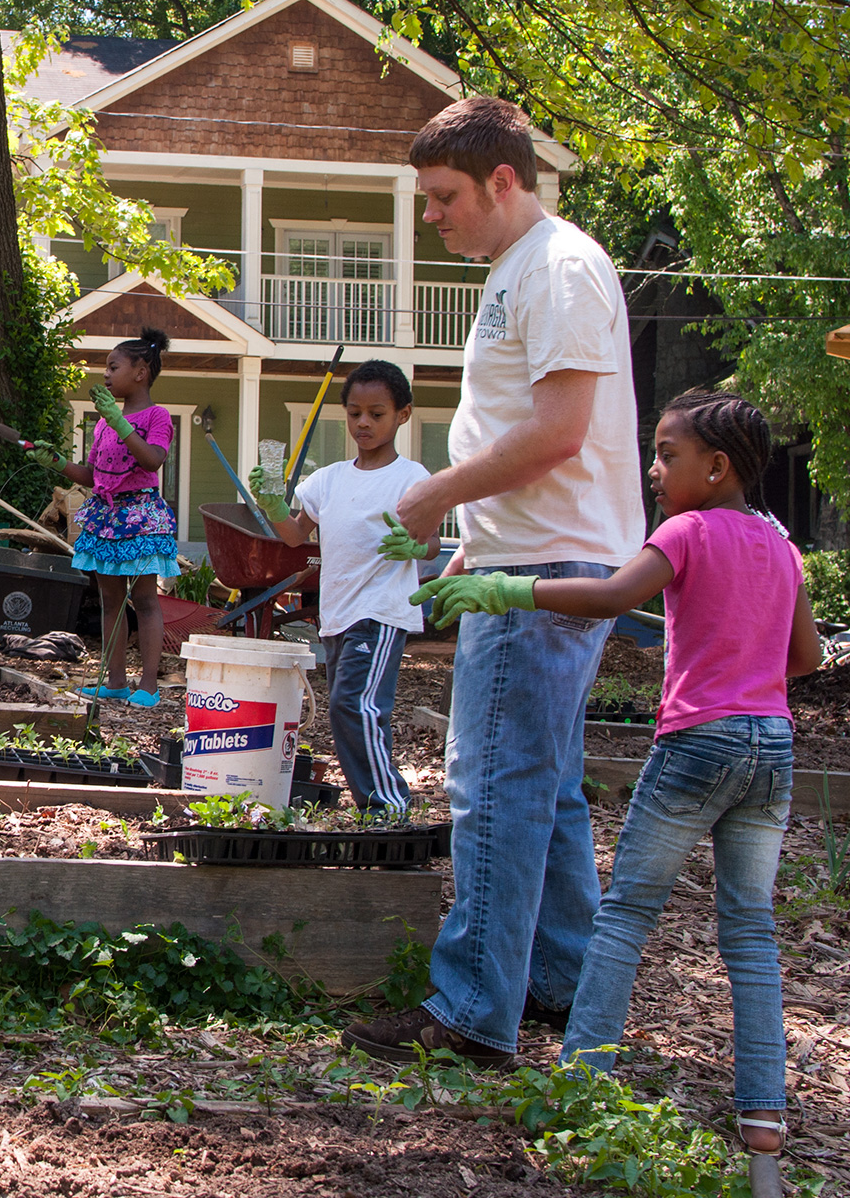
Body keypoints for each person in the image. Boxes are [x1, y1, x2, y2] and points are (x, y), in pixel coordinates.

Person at [415, 390, 821, 1168]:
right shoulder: (779, 544)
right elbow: (803, 658)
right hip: (772, 750)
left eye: (669, 455)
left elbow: (610, 596)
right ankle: (763, 1112)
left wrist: (509, 590)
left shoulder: (686, 530)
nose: (655, 468)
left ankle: (582, 1087)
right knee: (751, 932)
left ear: (718, 466)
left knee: (625, 915)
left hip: (696, 744)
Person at [342, 97, 645, 1067]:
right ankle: (556, 981)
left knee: (493, 785)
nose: (430, 215)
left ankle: (473, 1007)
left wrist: (432, 497)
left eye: (441, 198)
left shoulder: (554, 267)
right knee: (544, 784)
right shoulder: (517, 268)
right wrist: (476, 534)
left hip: (547, 568)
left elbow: (558, 432)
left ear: (502, 182)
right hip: (530, 553)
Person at [250, 360, 438, 817]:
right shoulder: (329, 479)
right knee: (344, 709)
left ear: (403, 415)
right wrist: (272, 503)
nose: (364, 423)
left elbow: (431, 545)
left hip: (381, 610)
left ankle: (388, 806)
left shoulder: (411, 478)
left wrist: (412, 544)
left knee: (357, 705)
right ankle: (378, 804)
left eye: (377, 413)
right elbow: (295, 535)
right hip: (336, 613)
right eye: (355, 413)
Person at [32, 327, 178, 707]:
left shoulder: (158, 416)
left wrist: (119, 421)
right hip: (105, 515)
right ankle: (114, 681)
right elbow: (94, 476)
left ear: (141, 371)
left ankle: (148, 685)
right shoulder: (101, 423)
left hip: (140, 515)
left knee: (144, 599)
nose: (106, 375)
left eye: (113, 367)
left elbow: (153, 459)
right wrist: (59, 463)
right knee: (109, 601)